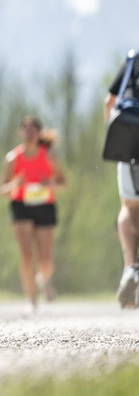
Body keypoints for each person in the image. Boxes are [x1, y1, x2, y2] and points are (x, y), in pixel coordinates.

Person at [0, 116, 66, 310]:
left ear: (39, 134)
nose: (29, 134)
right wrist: (15, 184)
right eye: (25, 130)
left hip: (44, 205)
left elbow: (62, 183)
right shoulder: (12, 158)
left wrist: (50, 183)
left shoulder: (49, 156)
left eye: (32, 130)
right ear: (20, 132)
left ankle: (42, 280)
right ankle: (30, 298)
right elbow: (2, 190)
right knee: (27, 257)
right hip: (21, 205)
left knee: (45, 260)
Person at [104, 52, 139, 309]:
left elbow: (109, 102)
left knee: (129, 206)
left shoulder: (134, 59)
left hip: (130, 134)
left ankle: (129, 269)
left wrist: (112, 138)